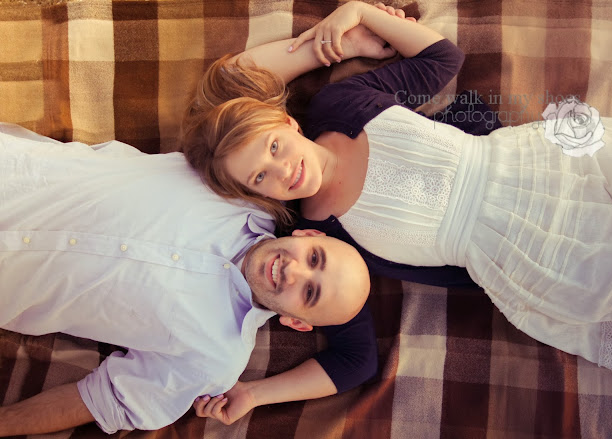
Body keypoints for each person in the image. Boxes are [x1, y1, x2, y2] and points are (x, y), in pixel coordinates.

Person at [179, 0, 612, 414]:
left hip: (537, 165)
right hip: (527, 256)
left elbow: (442, 59)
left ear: (286, 122)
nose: (282, 170)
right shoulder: (318, 240)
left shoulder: (340, 104)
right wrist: (255, 394)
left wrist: (354, 19)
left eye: (274, 146)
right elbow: (354, 361)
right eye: (260, 178)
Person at [0, 122, 373, 436]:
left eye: (309, 292)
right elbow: (243, 93)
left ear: (296, 322)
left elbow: (102, 400)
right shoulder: (243, 187)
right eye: (314, 258)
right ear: (309, 235)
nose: (294, 271)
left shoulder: (216, 359)